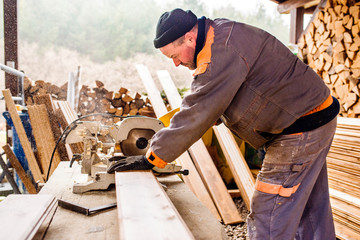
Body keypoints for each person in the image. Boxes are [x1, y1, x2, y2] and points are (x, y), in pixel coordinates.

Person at [108, 8, 339, 240]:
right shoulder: (218, 34)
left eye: (174, 56)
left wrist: (152, 156)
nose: (176, 64)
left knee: (270, 212)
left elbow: (198, 111)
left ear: (189, 37)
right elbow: (215, 102)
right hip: (313, 117)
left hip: (299, 129)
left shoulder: (219, 52)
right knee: (309, 208)